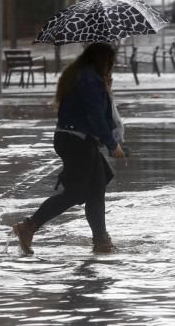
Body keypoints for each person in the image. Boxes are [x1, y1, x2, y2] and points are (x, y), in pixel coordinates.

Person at [12, 43, 124, 255]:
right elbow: (96, 116)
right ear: (103, 60)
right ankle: (29, 226)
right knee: (77, 192)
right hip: (76, 141)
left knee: (96, 190)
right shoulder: (89, 80)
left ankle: (101, 241)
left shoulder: (85, 76)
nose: (112, 67)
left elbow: (95, 113)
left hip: (77, 139)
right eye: (110, 62)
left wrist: (105, 89)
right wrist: (111, 143)